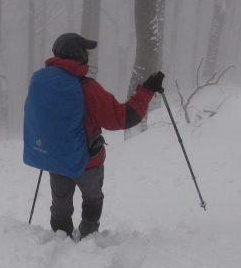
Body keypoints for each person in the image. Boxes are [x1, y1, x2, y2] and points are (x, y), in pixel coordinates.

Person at [23, 32, 164, 239]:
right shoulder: (87, 88)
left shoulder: (40, 81)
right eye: (85, 51)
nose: (88, 55)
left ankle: (60, 239)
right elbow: (124, 118)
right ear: (77, 55)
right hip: (87, 161)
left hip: (55, 159)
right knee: (93, 198)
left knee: (60, 204)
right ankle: (89, 237)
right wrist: (147, 90)